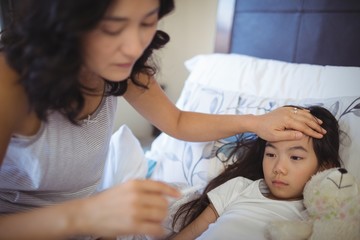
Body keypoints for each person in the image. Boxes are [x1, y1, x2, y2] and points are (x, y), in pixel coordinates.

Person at [0, 0, 326, 239]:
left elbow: (178, 121)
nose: (132, 48)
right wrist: (86, 215)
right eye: (112, 28)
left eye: (147, 22)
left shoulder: (125, 70)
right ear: (61, 24)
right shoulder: (9, 82)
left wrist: (256, 122)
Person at [170, 106, 341, 240]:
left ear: (324, 167)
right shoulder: (238, 188)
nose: (278, 168)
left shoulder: (318, 214)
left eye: (295, 157)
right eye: (271, 154)